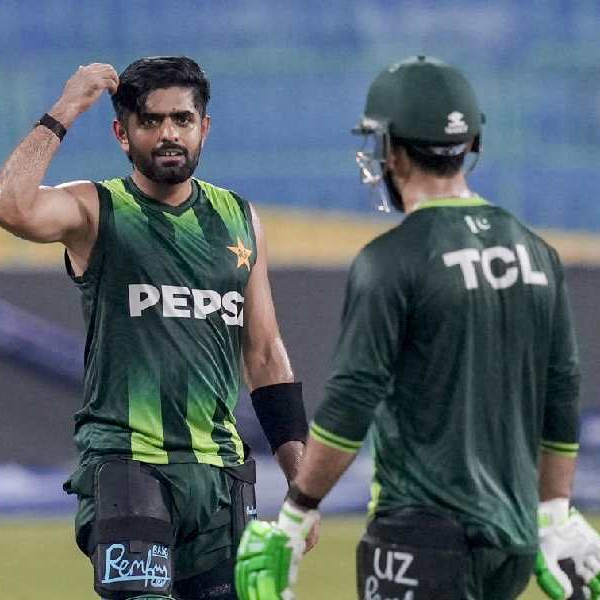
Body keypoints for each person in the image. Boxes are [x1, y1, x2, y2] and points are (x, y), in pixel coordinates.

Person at [235, 55, 600, 600]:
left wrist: (295, 515)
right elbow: (561, 390)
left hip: (420, 534)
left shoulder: (393, 258)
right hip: (513, 537)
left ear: (392, 149)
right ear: (470, 145)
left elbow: (351, 402)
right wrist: (553, 511)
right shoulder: (536, 251)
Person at [0, 56, 311, 599]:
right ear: (121, 132)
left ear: (204, 127)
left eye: (182, 120)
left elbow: (265, 354)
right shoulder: (96, 208)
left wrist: (301, 485)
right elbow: (7, 206)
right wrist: (66, 108)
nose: (168, 134)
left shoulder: (239, 218)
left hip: (221, 476)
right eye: (150, 121)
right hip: (127, 467)